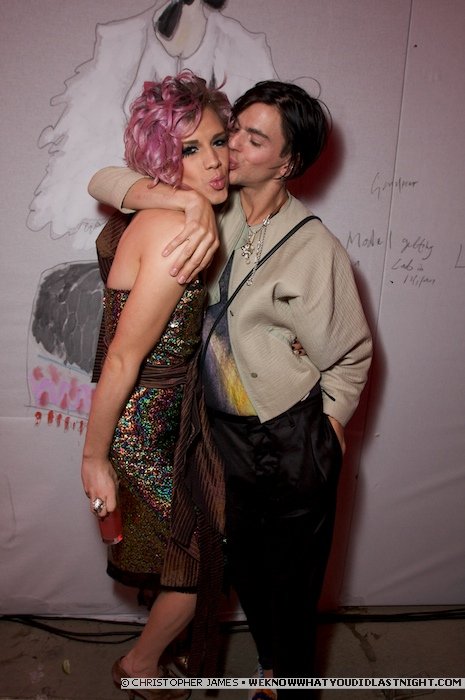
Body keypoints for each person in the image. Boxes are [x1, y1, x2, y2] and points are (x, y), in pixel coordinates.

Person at [89, 79, 373, 694]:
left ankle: (283, 680)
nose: (232, 149)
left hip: (288, 431)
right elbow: (104, 180)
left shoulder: (314, 248)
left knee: (291, 576)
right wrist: (183, 201)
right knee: (240, 562)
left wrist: (331, 424)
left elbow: (351, 354)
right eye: (232, 130)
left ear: (288, 162)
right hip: (219, 432)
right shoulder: (211, 206)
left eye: (253, 139)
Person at [81, 70, 230, 697]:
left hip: (161, 416)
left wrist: (187, 198)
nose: (215, 161)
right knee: (198, 560)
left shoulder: (159, 209)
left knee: (183, 553)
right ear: (165, 158)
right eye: (191, 149)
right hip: (149, 425)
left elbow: (106, 181)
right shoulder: (175, 229)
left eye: (219, 141)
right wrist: (93, 459)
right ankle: (139, 666)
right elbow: (122, 358)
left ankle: (149, 659)